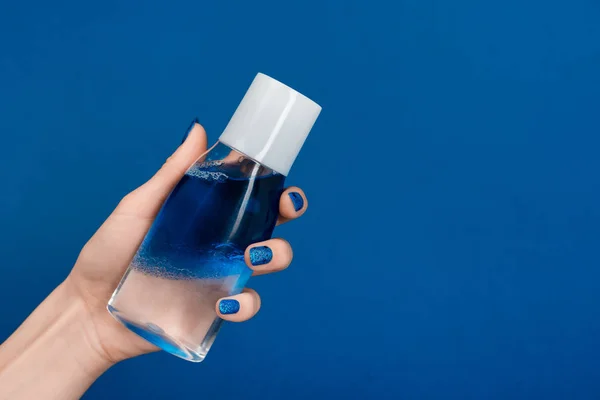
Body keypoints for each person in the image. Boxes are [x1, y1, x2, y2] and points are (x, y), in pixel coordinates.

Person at [0, 122, 308, 399]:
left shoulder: (263, 185)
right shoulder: (213, 164)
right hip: (119, 302)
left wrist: (87, 326)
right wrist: (85, 308)